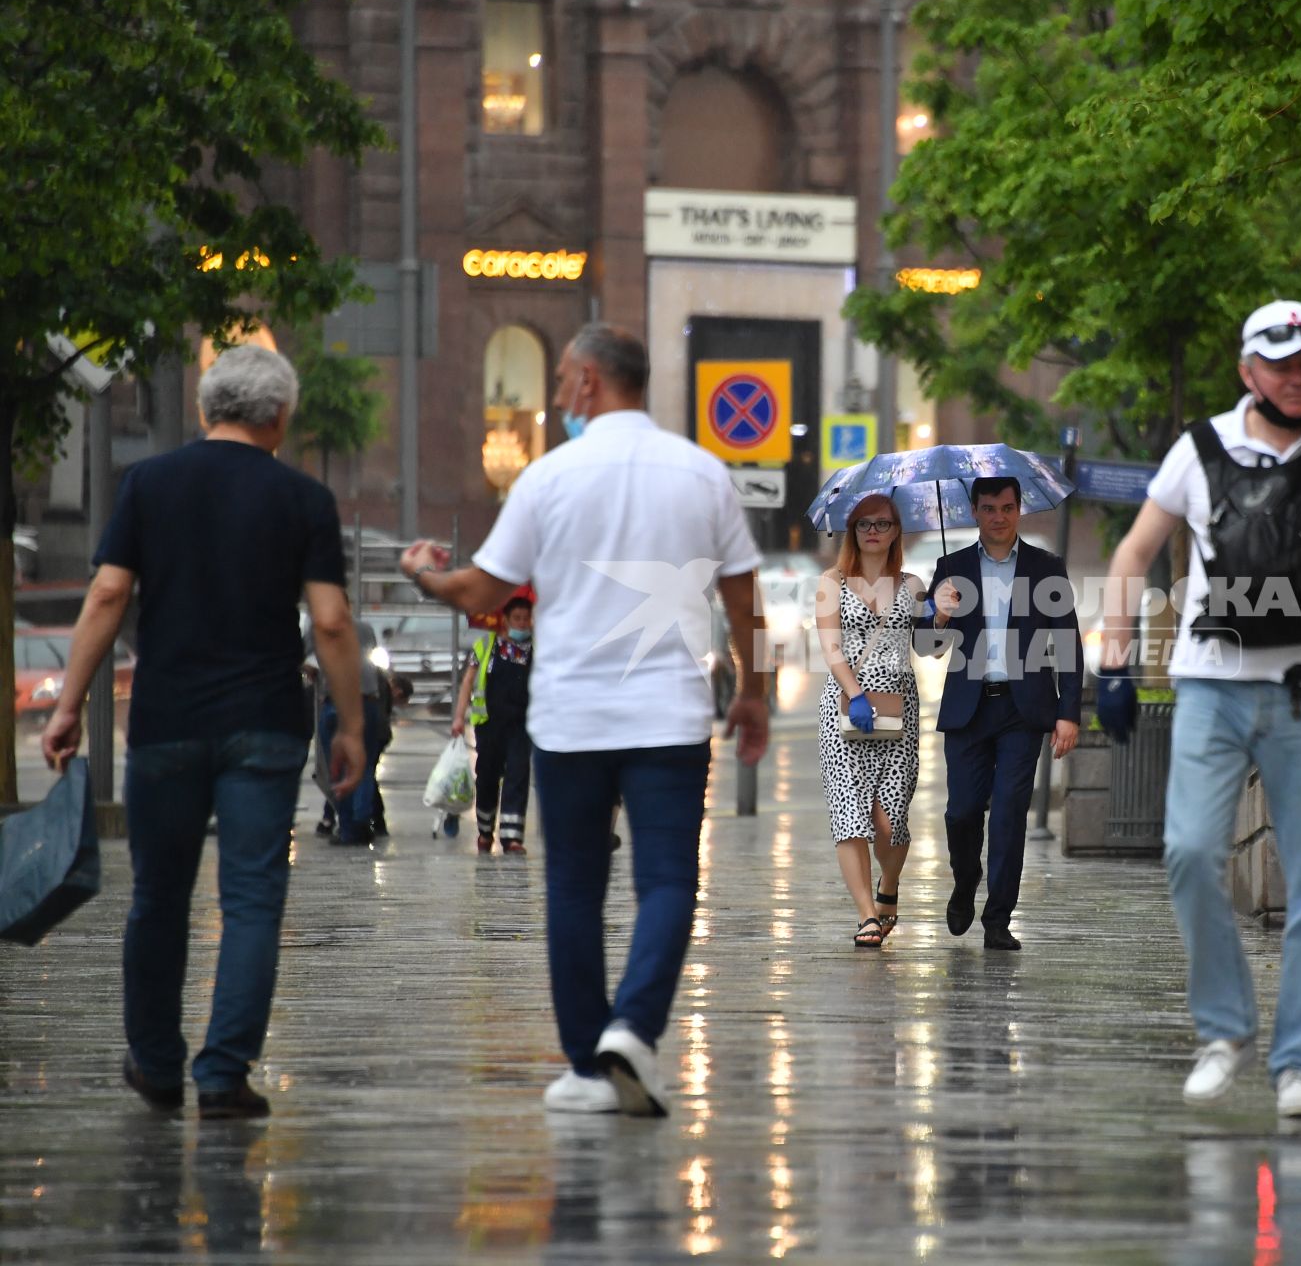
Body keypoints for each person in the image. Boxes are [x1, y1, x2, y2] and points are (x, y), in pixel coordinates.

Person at [398, 322, 769, 1117]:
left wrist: (426, 576)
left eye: (565, 379)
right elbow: (744, 601)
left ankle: (585, 1066)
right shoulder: (704, 475)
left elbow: (482, 594)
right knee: (669, 878)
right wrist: (754, 692)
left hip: (570, 721)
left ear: (593, 382)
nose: (559, 395)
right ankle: (632, 1028)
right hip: (669, 719)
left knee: (573, 888)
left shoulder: (548, 478)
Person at [1095, 298, 1301, 1130]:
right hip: (1209, 683)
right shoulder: (1200, 446)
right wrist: (1111, 660)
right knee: (1187, 852)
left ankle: (1299, 1065)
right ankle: (1224, 1032)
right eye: (1278, 362)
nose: (1295, 374)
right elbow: (1134, 550)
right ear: (1248, 370)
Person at [40, 343, 366, 1120]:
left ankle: (155, 1063)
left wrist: (67, 706)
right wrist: (349, 725)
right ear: (280, 418)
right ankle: (223, 1074)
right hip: (264, 723)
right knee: (252, 899)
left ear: (204, 410)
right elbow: (330, 621)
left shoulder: (149, 483)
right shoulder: (304, 499)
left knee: (158, 895)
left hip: (166, 721)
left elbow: (108, 597)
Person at [922, 477, 1082, 952]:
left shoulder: (1046, 567)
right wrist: (940, 614)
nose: (999, 517)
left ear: (1019, 510)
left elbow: (1069, 643)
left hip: (1023, 709)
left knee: (1011, 814)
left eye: (1007, 508)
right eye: (989, 508)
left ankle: (998, 920)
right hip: (968, 708)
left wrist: (1067, 712)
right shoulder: (950, 567)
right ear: (974, 511)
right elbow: (927, 647)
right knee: (961, 812)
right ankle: (965, 878)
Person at [815, 494, 923, 947]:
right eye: (863, 525)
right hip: (846, 707)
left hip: (900, 709)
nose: (873, 531)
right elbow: (830, 646)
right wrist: (855, 694)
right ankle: (867, 917)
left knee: (890, 820)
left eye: (882, 523)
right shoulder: (831, 581)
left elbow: (932, 648)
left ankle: (889, 888)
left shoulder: (914, 584)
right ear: (853, 532)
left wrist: (942, 613)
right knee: (850, 815)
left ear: (896, 531)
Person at [454, 595, 536, 854]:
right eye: (517, 619)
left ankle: (512, 838)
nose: (522, 625)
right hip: (490, 726)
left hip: (522, 726)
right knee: (487, 778)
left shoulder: (537, 651)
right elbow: (468, 681)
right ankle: (485, 830)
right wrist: (458, 717)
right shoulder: (486, 646)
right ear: (505, 620)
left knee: (517, 776)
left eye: (526, 619)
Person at [314, 620, 393, 847]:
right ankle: (361, 822)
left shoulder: (319, 626)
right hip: (367, 702)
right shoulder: (366, 628)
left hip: (336, 702)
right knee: (365, 766)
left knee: (338, 769)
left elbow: (309, 662)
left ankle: (348, 827)